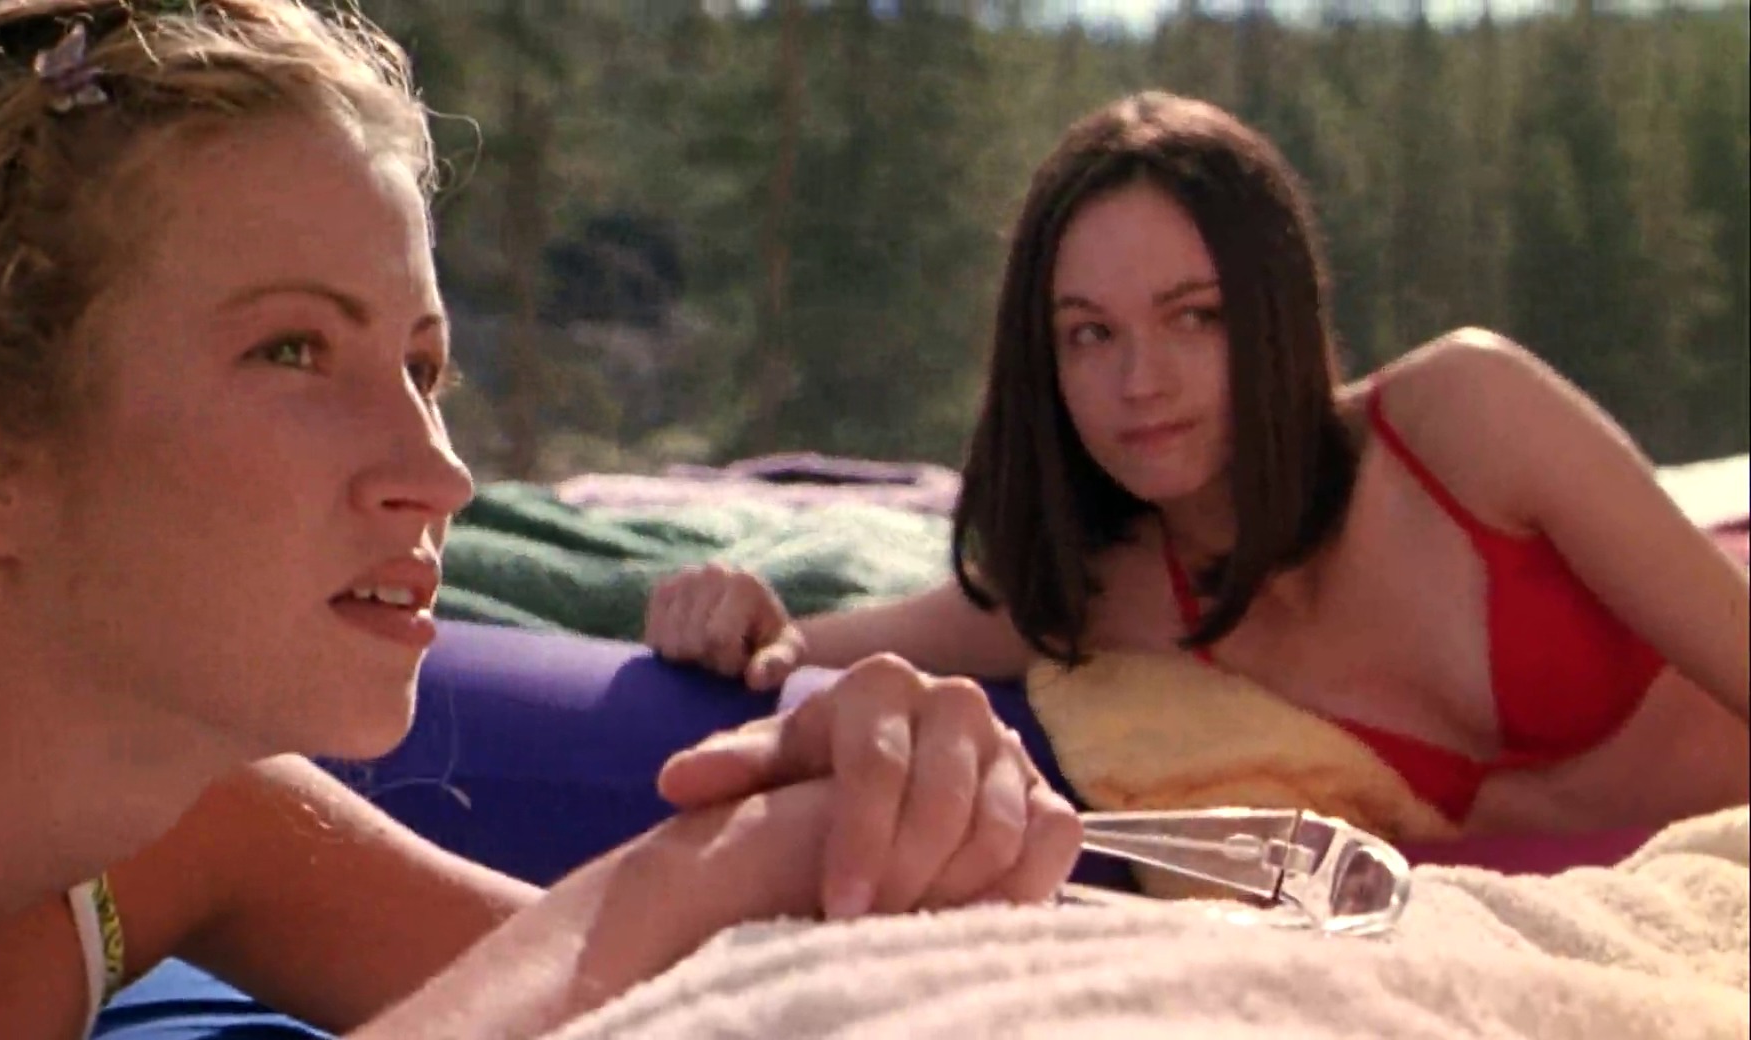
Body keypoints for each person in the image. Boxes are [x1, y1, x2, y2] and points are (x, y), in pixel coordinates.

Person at [0, 2, 1084, 1037]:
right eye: (292, 349)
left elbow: (608, 989)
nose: (440, 474)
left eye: (423, 369)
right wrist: (697, 872)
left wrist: (850, 829)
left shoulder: (169, 823)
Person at [645, 91, 1751, 838]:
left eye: (1194, 317)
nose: (1142, 381)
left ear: (1274, 311)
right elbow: (796, 648)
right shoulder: (1113, 593)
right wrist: (730, 609)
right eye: (1092, 333)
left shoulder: (1468, 419)